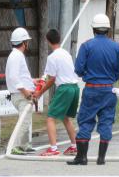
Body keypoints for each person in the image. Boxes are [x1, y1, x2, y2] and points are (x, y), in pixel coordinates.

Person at [67, 14, 119, 166]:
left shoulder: (86, 46)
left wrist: (87, 74)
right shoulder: (117, 47)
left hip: (91, 90)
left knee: (85, 121)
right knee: (106, 122)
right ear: (108, 30)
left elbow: (78, 69)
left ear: (93, 29)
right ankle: (101, 158)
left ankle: (82, 157)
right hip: (109, 91)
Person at [33, 29, 80, 157]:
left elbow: (51, 79)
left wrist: (40, 92)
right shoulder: (67, 54)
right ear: (59, 39)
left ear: (48, 41)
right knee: (65, 118)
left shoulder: (52, 57)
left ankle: (53, 148)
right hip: (75, 88)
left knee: (50, 117)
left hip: (64, 88)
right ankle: (74, 146)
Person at [5, 27, 36, 155]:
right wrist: (25, 91)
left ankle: (24, 145)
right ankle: (15, 146)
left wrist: (33, 81)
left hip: (19, 93)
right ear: (24, 43)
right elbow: (13, 77)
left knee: (26, 120)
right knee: (24, 121)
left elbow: (20, 76)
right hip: (21, 94)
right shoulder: (17, 56)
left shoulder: (15, 55)